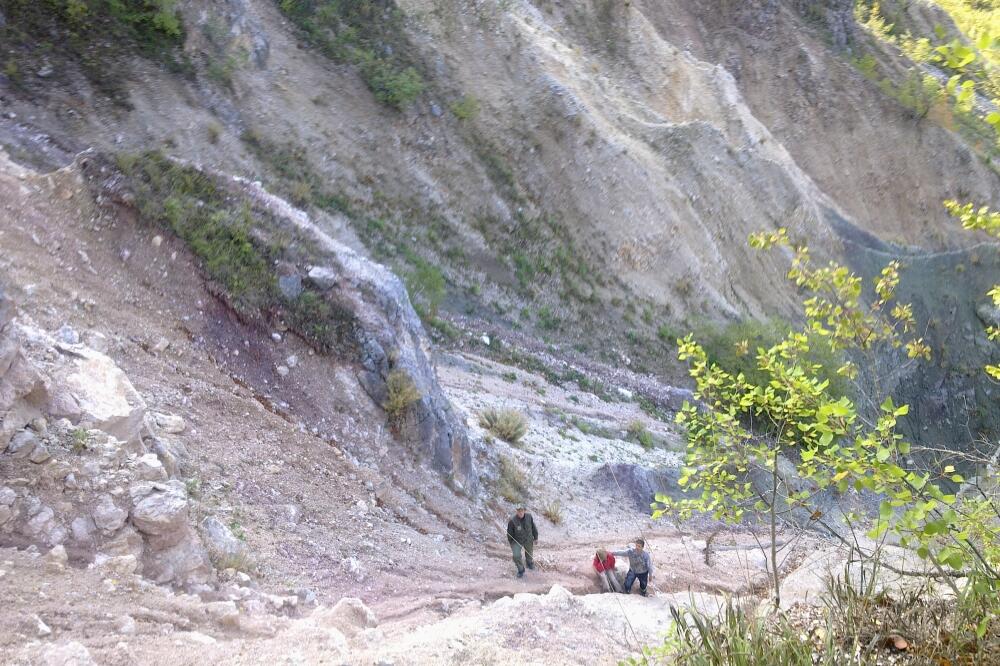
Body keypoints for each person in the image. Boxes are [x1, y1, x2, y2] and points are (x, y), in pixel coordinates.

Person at [506, 505, 538, 578]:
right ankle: (521, 570)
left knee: (529, 553)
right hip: (517, 541)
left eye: (522, 510)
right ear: (516, 511)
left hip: (528, 539)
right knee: (516, 556)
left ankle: (529, 563)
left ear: (524, 510)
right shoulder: (512, 521)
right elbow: (509, 534)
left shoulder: (529, 517)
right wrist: (512, 544)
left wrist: (536, 537)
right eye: (518, 511)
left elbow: (533, 527)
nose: (520, 512)